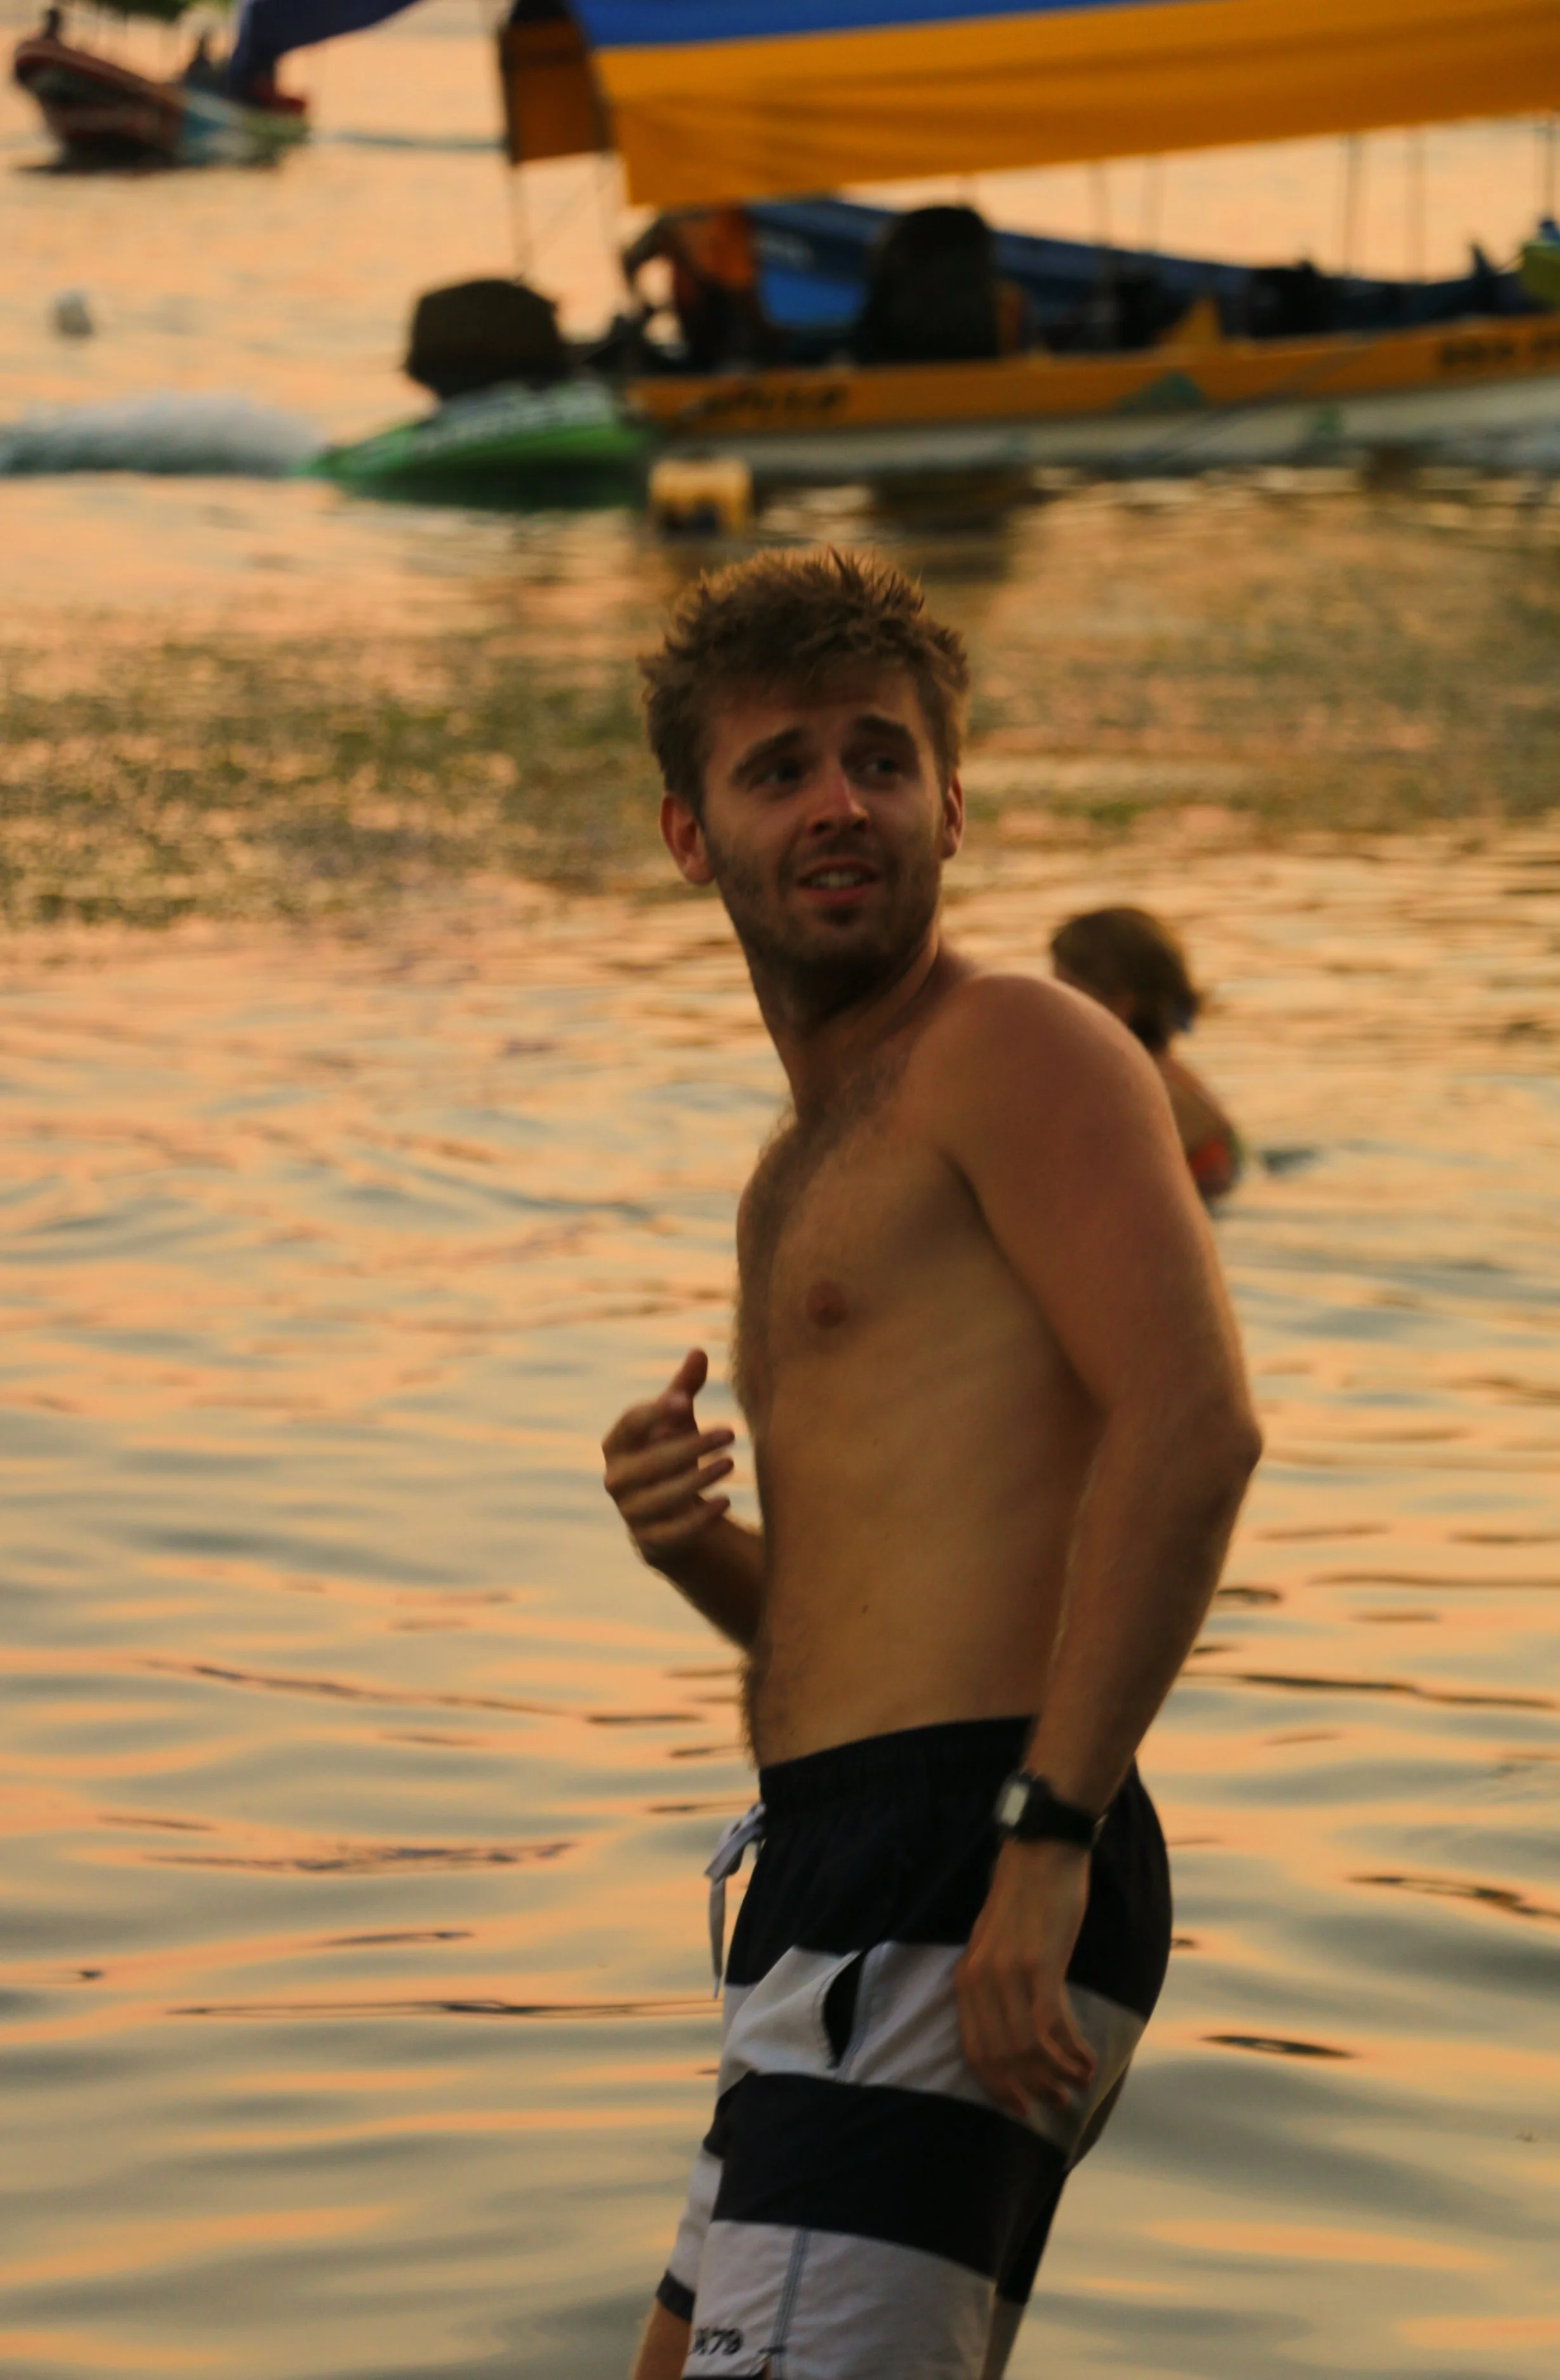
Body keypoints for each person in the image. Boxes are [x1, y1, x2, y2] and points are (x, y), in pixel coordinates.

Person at [601, 550, 1261, 2380]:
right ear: (687, 830)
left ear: (950, 805)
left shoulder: (1018, 1047)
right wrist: (690, 1543)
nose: (837, 800)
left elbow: (1193, 1423)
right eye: (779, 765)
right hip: (834, 1879)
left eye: (880, 760)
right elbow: (857, 1623)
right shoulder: (798, 1169)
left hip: (964, 1854)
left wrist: (1042, 1838)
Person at [1050, 906, 1243, 1200]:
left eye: (1064, 990)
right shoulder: (1177, 1080)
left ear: (1118, 1005)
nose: (1049, 1006)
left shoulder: (1136, 1093)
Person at [621, 206, 774, 373]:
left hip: (735, 316)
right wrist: (643, 303)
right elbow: (632, 259)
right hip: (707, 322)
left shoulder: (734, 219)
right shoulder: (675, 223)